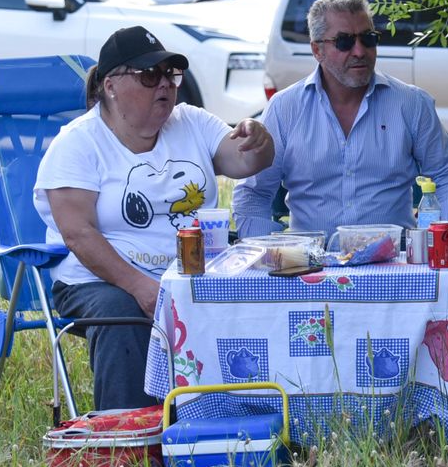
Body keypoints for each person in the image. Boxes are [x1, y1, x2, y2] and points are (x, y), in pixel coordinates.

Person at [35, 26, 275, 409]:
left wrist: (259, 141)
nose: (164, 84)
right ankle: (128, 436)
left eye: (170, 75)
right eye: (150, 76)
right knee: (121, 314)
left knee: (264, 290)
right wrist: (142, 288)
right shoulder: (78, 143)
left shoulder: (191, 122)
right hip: (101, 281)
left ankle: (246, 418)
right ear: (111, 85)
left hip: (195, 271)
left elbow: (244, 160)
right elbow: (78, 234)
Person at [232, 0, 448, 238]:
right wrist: (265, 253)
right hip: (310, 265)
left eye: (368, 39)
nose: (359, 51)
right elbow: (254, 192)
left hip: (393, 262)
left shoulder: (410, 103)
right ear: (317, 50)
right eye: (344, 42)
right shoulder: (285, 108)